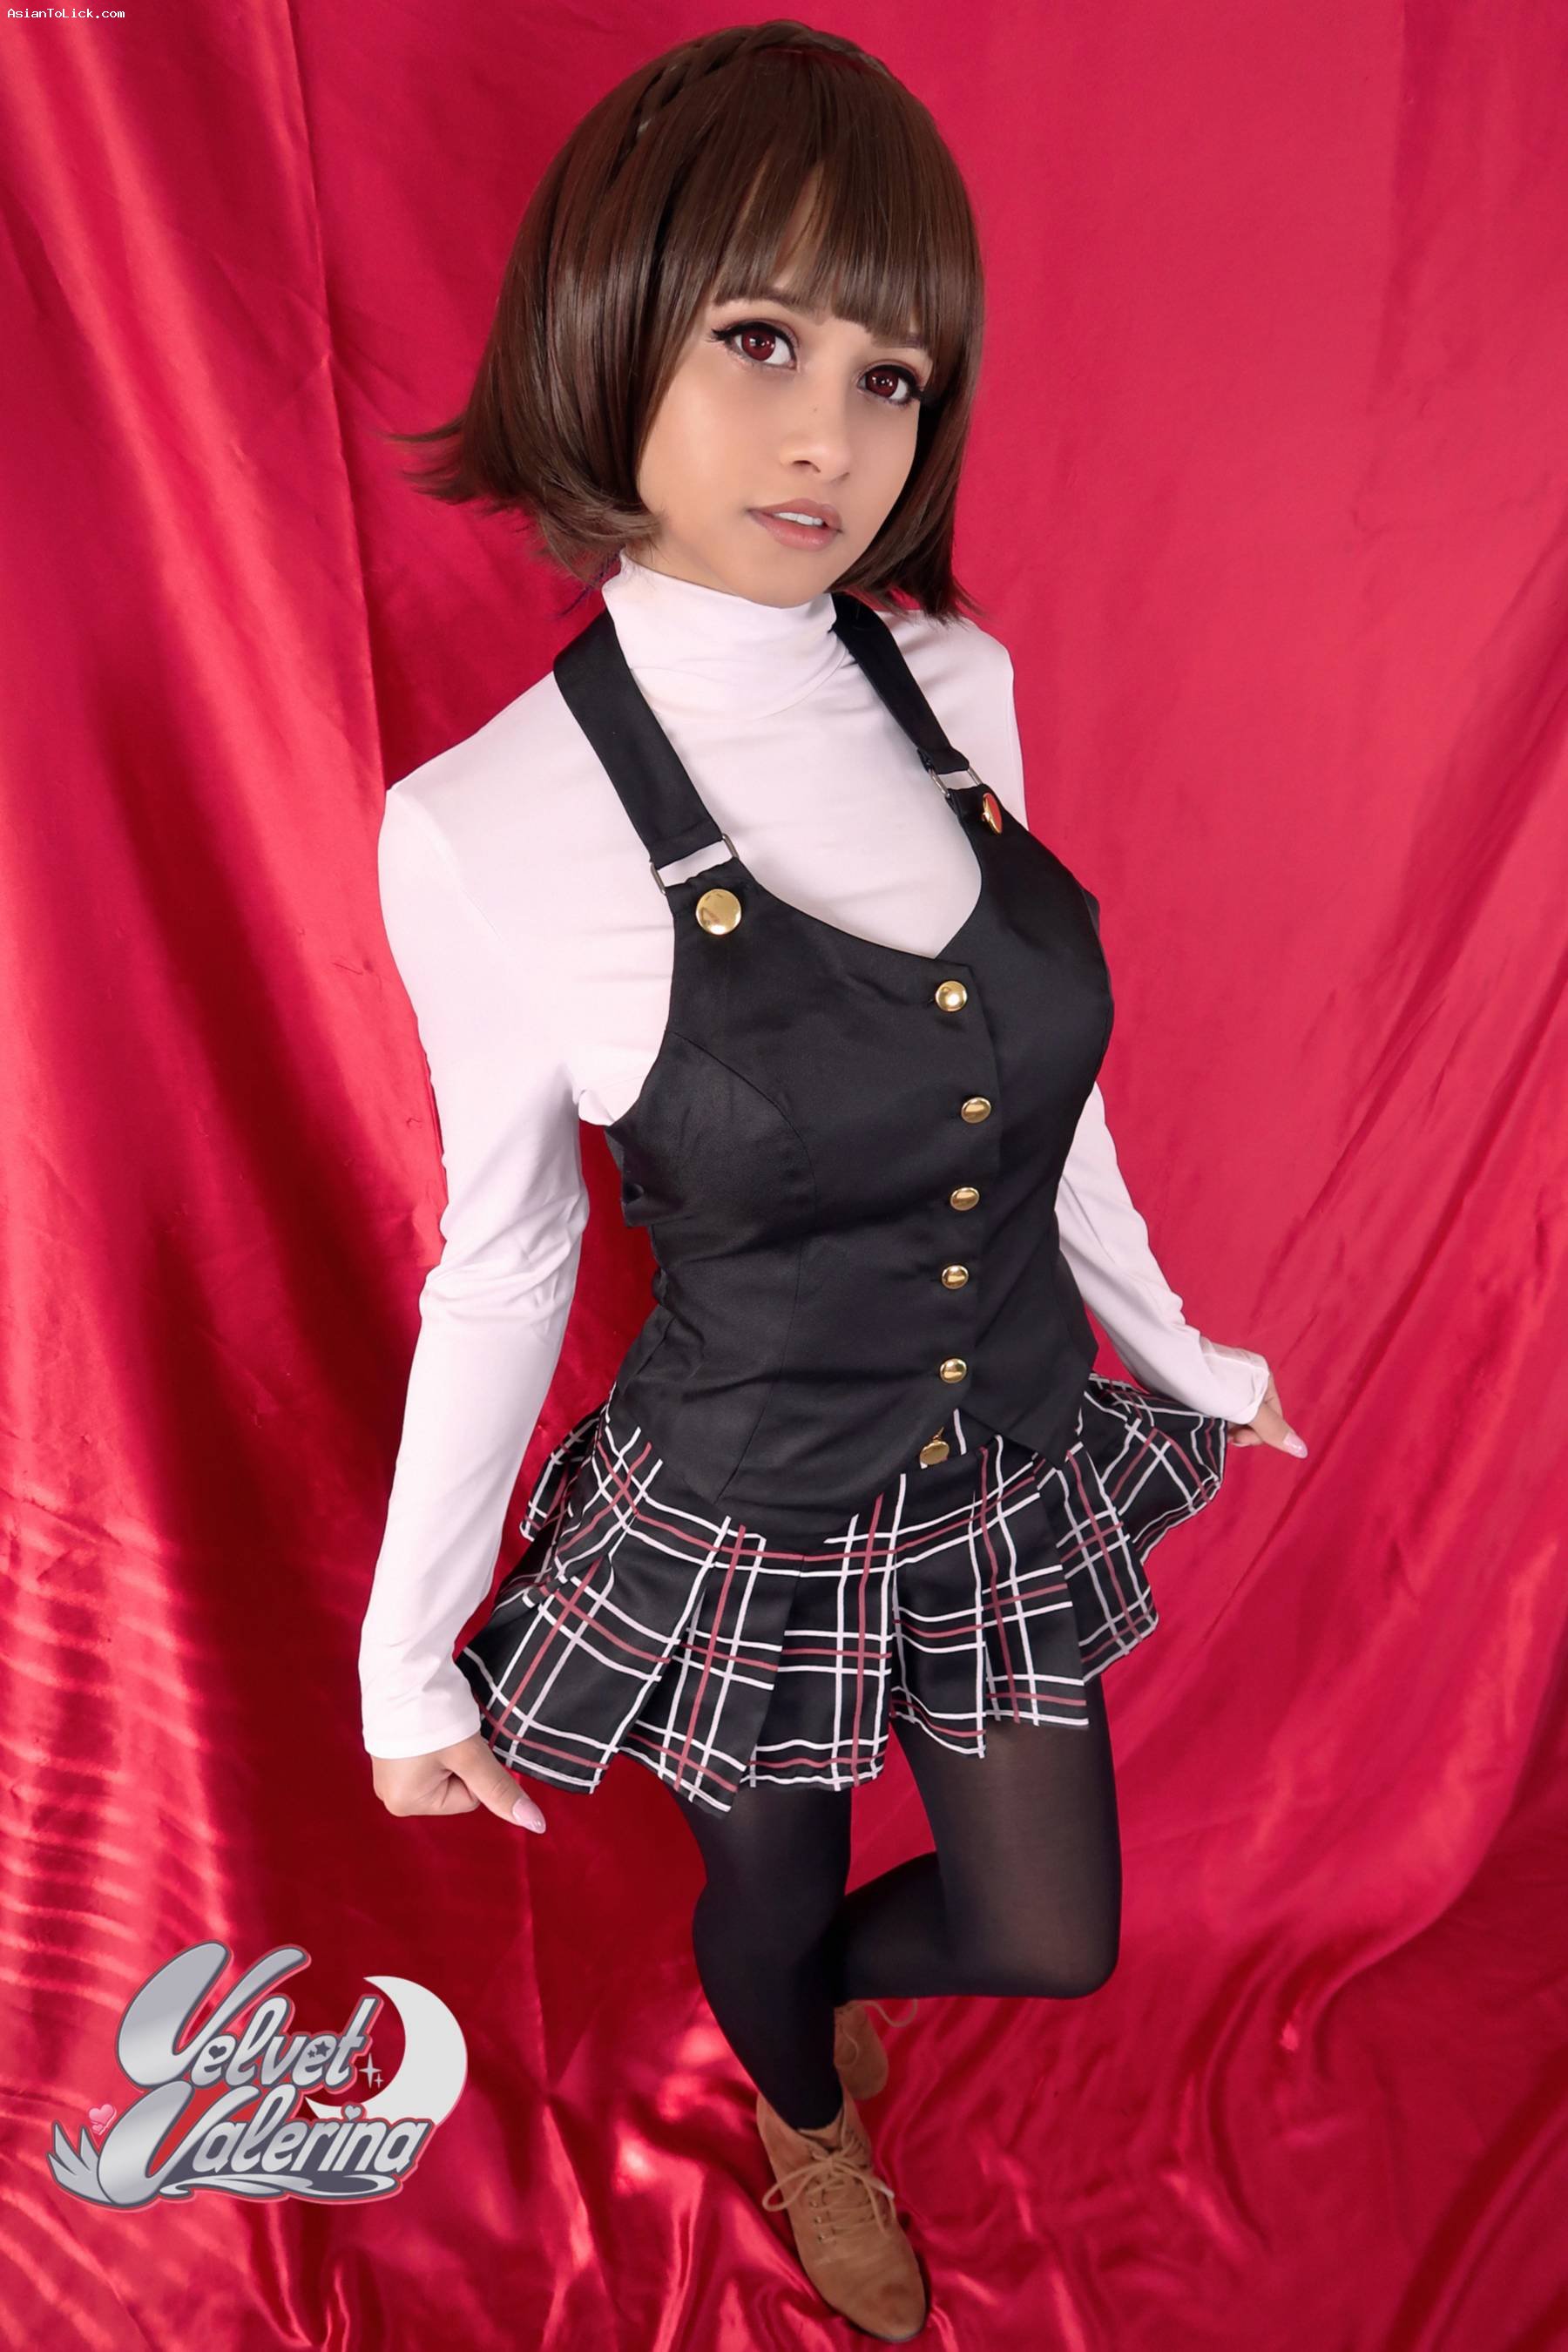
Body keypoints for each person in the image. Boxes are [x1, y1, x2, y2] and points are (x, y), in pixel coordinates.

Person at [360, 24, 1307, 2339]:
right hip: (741, 1504)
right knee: (767, 1904)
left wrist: (1185, 1349)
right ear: (609, 329)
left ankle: (814, 2023)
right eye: (762, 341)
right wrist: (406, 1657)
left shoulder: (952, 683)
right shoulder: (482, 826)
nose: (831, 438)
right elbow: (505, 1261)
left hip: (1005, 1455)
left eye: (892, 377)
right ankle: (801, 2107)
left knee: (1049, 1930)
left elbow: (1045, 1093)